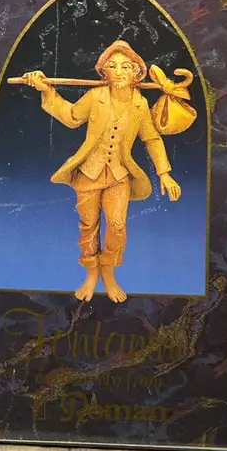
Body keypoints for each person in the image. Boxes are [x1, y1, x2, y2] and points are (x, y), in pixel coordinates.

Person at [23, 40, 180, 303]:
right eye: (112, 66)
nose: (119, 72)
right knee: (88, 224)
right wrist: (45, 89)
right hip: (89, 172)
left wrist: (164, 172)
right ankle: (91, 271)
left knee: (117, 225)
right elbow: (71, 116)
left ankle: (108, 269)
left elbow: (152, 138)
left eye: (125, 67)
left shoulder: (140, 105)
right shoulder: (96, 97)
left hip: (120, 174)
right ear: (104, 72)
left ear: (136, 73)